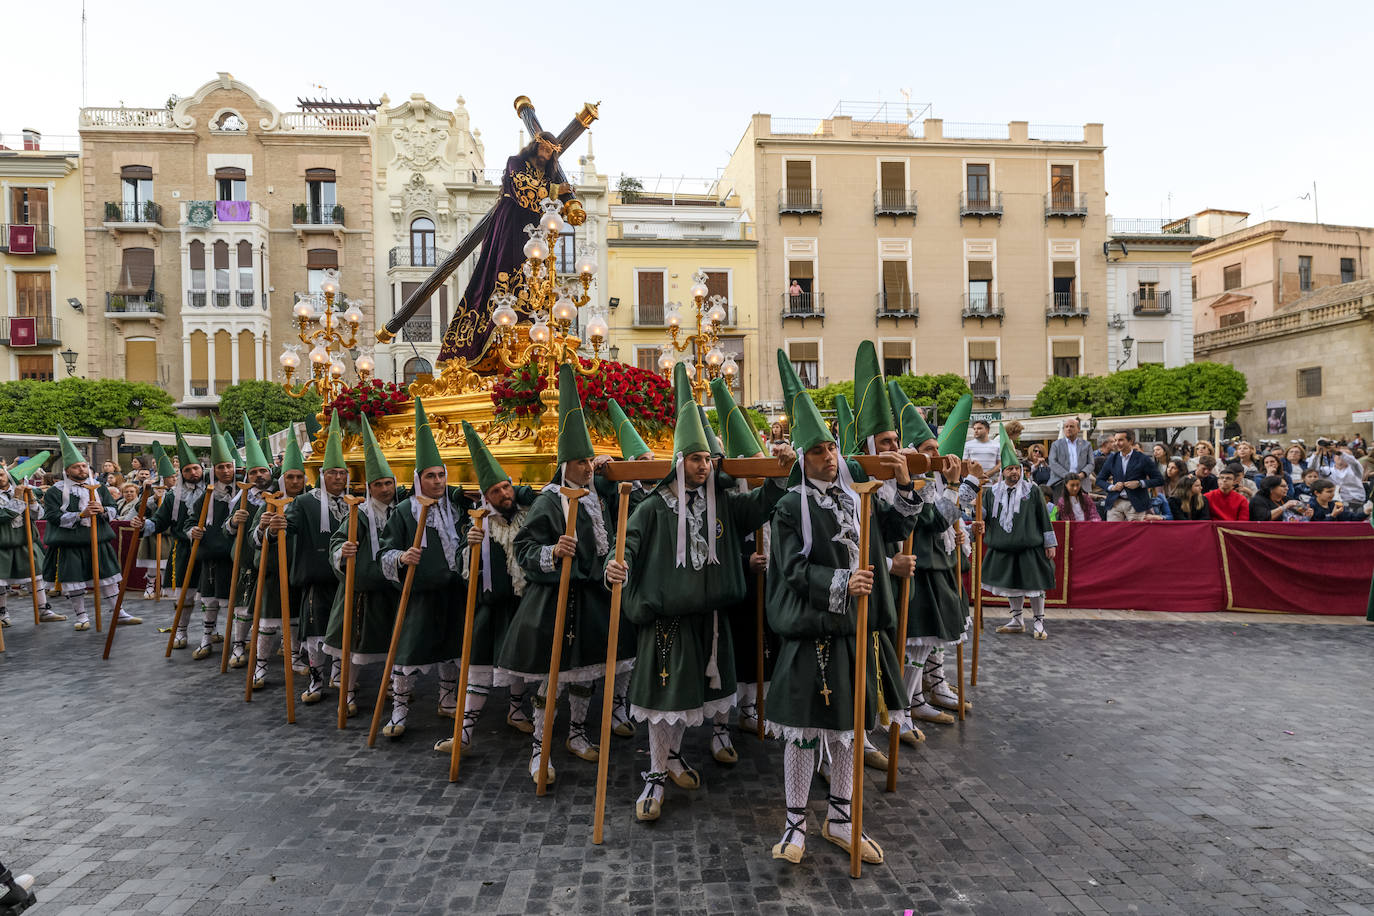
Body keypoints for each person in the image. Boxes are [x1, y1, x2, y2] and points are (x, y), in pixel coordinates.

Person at [605, 369, 789, 824]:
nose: (704, 466)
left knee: (688, 699)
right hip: (665, 619)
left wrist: (782, 470)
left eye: (708, 459)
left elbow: (761, 504)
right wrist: (617, 562)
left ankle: (672, 758)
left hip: (709, 619)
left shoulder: (722, 503)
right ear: (679, 460)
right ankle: (654, 774)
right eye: (695, 459)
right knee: (663, 700)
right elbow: (627, 541)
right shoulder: (651, 506)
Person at [764, 351, 915, 867]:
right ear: (802, 460)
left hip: (854, 634)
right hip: (812, 633)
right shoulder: (789, 507)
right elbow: (790, 571)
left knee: (849, 733)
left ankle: (843, 819)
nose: (830, 456)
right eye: (818, 451)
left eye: (831, 446)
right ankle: (794, 825)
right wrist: (843, 581)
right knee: (804, 733)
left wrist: (907, 485)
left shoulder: (860, 496)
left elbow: (896, 528)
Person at [497, 367, 628, 782]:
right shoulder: (549, 502)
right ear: (564, 465)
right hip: (554, 602)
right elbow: (523, 548)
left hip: (591, 600)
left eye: (590, 460)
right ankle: (540, 748)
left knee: (585, 673)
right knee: (550, 680)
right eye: (580, 461)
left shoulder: (596, 496)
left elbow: (615, 523)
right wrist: (553, 551)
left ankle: (576, 733)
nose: (588, 467)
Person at [432, 420, 541, 754]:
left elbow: (536, 495)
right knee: (479, 668)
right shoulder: (477, 524)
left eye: (506, 487)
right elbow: (465, 568)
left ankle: (516, 710)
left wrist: (521, 491)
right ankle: (463, 734)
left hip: (522, 605)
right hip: (489, 607)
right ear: (485, 497)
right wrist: (471, 547)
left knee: (519, 664)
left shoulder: (528, 515)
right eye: (495, 491)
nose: (504, 494)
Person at [377, 399, 473, 739]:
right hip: (418, 596)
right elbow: (385, 552)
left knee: (452, 649)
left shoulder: (458, 504)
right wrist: (402, 558)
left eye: (441, 475)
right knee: (408, 653)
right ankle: (399, 710)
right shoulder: (405, 512)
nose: (437, 481)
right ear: (419, 480)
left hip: (453, 592)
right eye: (430, 476)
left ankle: (448, 700)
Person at [438, 131, 576, 364]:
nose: (546, 152)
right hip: (510, 224)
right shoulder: (516, 162)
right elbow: (523, 188)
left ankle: (534, 319)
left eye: (551, 150)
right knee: (505, 268)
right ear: (535, 145)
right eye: (543, 147)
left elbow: (559, 206)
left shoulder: (548, 174)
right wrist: (554, 190)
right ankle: (502, 319)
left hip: (536, 231)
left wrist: (569, 201)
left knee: (535, 276)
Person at [888, 383, 973, 728]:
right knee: (915, 641)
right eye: (927, 450)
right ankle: (904, 708)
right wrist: (961, 488)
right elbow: (935, 517)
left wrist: (962, 527)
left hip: (937, 564)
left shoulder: (931, 481)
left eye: (936, 448)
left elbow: (948, 521)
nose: (936, 456)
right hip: (916, 569)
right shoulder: (911, 485)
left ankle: (919, 697)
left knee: (930, 640)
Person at [323, 416, 400, 719]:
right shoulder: (359, 514)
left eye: (389, 483)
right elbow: (336, 543)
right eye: (379, 484)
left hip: (391, 587)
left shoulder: (402, 510)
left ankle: (395, 685)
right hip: (361, 592)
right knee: (352, 646)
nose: (385, 489)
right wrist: (344, 550)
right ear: (369, 488)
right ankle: (348, 691)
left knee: (394, 639)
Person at [967, 426, 1057, 640]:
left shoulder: (1032, 490)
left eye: (1017, 468)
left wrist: (1049, 543)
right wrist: (974, 507)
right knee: (1012, 587)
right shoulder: (991, 493)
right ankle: (1017, 620)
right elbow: (983, 516)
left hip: (1029, 547)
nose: (1014, 472)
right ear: (1002, 472)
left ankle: (1038, 622)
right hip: (1002, 547)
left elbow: (1043, 518)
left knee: (1035, 587)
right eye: (1009, 469)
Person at [285, 414, 351, 703]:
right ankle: (315, 680)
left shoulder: (354, 504)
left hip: (346, 580)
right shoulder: (304, 502)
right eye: (332, 473)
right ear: (322, 475)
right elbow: (286, 529)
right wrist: (270, 528)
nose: (338, 478)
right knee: (315, 631)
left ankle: (339, 675)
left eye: (342, 473)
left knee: (344, 630)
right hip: (317, 578)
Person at [41, 427, 128, 631]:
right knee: (74, 580)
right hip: (70, 543)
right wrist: (81, 515)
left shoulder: (99, 487)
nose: (81, 470)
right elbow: (52, 516)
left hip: (97, 540)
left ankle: (118, 612)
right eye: (76, 467)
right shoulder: (56, 491)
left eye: (84, 466)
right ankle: (81, 616)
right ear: (67, 470)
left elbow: (113, 508)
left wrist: (103, 509)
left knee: (108, 577)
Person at [247, 437, 309, 692]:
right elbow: (254, 538)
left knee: (295, 617)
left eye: (299, 477)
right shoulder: (268, 502)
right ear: (282, 478)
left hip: (301, 569)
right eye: (291, 477)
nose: (295, 482)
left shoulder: (311, 502)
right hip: (274, 569)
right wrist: (265, 528)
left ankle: (294, 657)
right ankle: (260, 664)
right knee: (268, 620)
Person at [184, 421, 239, 660]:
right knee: (209, 600)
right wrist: (192, 532)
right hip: (211, 557)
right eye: (220, 467)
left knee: (236, 604)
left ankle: (238, 643)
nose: (225, 471)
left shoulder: (244, 493)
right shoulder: (205, 497)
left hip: (236, 556)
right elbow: (190, 522)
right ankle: (206, 639)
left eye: (228, 466)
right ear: (214, 470)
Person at [222, 416, 275, 670]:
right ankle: (238, 645)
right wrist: (234, 521)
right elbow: (225, 530)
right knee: (243, 607)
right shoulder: (239, 498)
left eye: (262, 470)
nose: (258, 475)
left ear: (270, 471)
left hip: (271, 560)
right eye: (253, 472)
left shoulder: (279, 495)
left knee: (269, 609)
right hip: (245, 560)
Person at [144, 429, 205, 625]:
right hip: (184, 550)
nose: (193, 473)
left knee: (210, 596)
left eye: (195, 468)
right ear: (181, 473)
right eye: (187, 470)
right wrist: (144, 524)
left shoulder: (214, 493)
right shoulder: (172, 497)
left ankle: (210, 632)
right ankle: (181, 630)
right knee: (184, 595)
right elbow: (159, 522)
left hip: (209, 549)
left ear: (202, 469)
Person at [0, 457, 55, 626]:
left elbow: (38, 516)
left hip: (26, 540)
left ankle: (43, 610)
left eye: (1, 474)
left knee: (36, 576)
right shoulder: (17, 493)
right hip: (3, 543)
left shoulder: (23, 489)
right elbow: (2, 517)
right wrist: (17, 499)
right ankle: (2, 614)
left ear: (6, 474)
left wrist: (30, 499)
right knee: (0, 580)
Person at [1095, 430, 1164, 521]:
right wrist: (1112, 487)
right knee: (1113, 533)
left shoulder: (1143, 458)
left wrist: (1140, 483)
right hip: (1115, 503)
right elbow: (1099, 480)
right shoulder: (1112, 458)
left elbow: (1159, 479)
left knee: (1135, 533)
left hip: (1136, 503)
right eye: (1115, 440)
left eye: (1120, 440)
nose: (1116, 443)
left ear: (1130, 441)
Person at [1048, 417, 1091, 498]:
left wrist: (1083, 474)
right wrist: (1068, 476)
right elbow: (1052, 462)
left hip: (1081, 483)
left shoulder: (1086, 445)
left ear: (1078, 429)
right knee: (1061, 510)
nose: (1068, 429)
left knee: (1082, 509)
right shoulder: (1056, 445)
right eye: (1066, 427)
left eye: (1071, 426)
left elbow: (1091, 463)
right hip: (1060, 482)